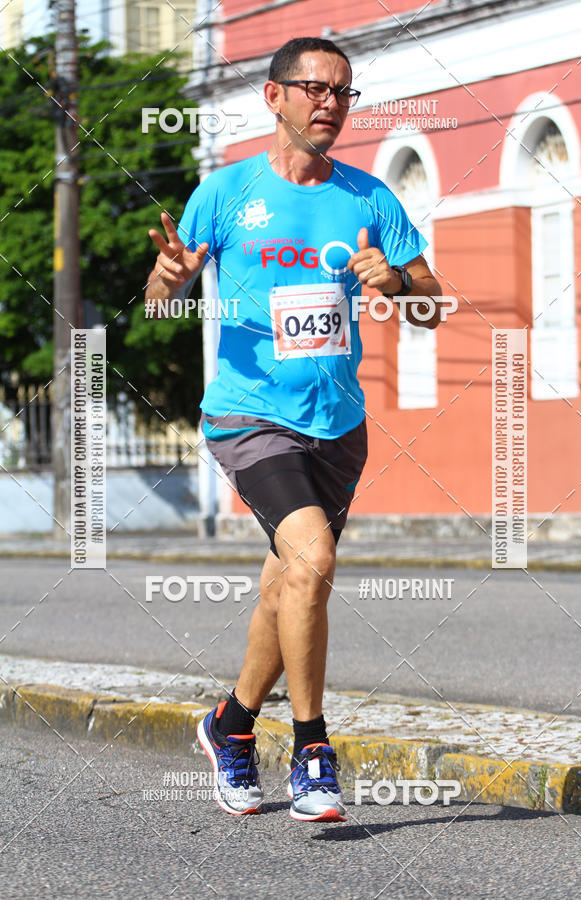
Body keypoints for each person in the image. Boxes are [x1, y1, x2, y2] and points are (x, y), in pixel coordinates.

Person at [145, 35, 442, 822]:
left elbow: (433, 307)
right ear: (273, 97)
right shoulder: (224, 191)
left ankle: (229, 726)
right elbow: (157, 301)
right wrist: (169, 280)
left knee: (289, 579)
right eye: (313, 88)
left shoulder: (369, 198)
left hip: (338, 425)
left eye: (342, 92)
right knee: (313, 558)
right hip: (248, 416)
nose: (330, 104)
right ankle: (312, 748)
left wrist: (401, 282)